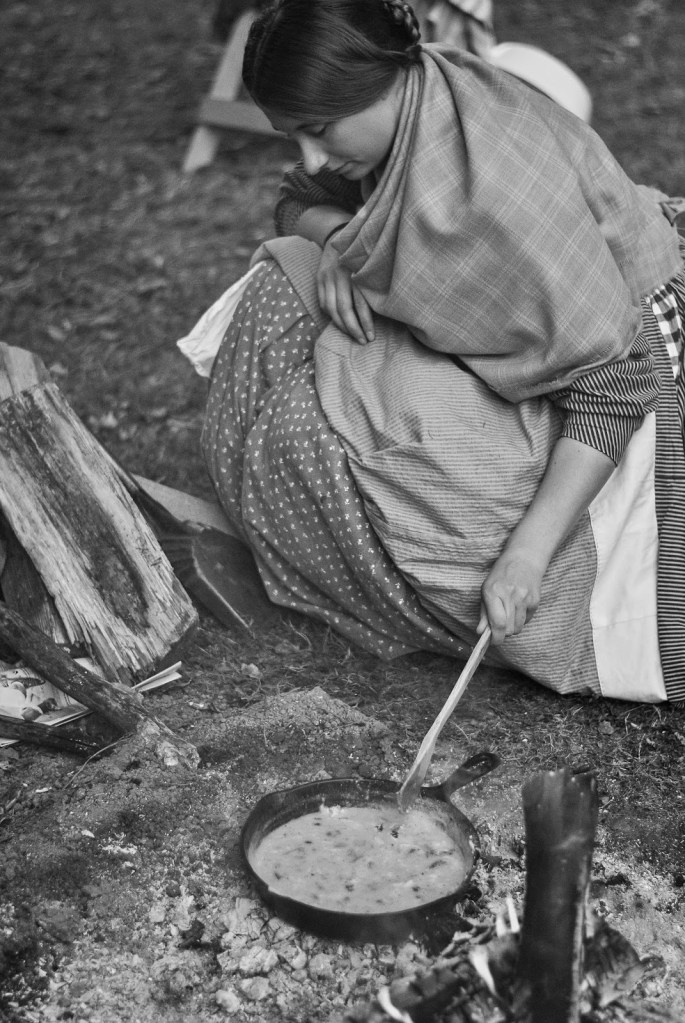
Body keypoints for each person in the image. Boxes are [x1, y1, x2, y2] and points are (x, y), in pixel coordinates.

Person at [199, 0, 685, 702]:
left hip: (620, 380)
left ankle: (385, 588)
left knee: (311, 433)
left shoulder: (497, 195)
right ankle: (279, 546)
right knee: (281, 289)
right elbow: (298, 196)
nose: (312, 153)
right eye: (295, 133)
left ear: (374, 79)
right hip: (547, 350)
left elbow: (613, 388)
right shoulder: (410, 105)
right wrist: (335, 240)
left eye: (318, 129)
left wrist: (526, 553)